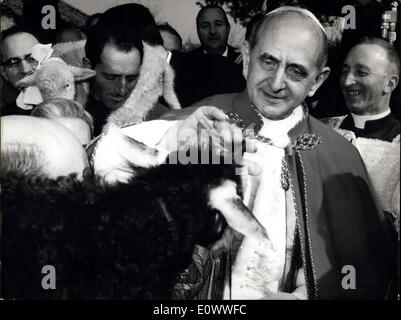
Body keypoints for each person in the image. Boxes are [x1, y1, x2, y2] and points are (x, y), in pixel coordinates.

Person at [138, 6, 396, 299]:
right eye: (268, 62)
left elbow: (361, 272)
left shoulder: (339, 157)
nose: (276, 83)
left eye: (296, 71)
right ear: (247, 59)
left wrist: (307, 295)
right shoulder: (192, 122)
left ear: (318, 81)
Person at [323, 37, 400, 239]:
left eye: (361, 73)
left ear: (390, 83)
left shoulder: (397, 147)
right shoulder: (320, 129)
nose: (348, 82)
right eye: (345, 71)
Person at [83, 4, 169, 136]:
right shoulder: (65, 111)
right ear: (87, 67)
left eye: (131, 78)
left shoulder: (159, 119)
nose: (122, 90)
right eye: (111, 77)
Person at [0, 26, 39, 114]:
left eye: (32, 58)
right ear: (4, 73)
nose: (25, 70)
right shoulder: (6, 119)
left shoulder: (74, 103)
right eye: (13, 62)